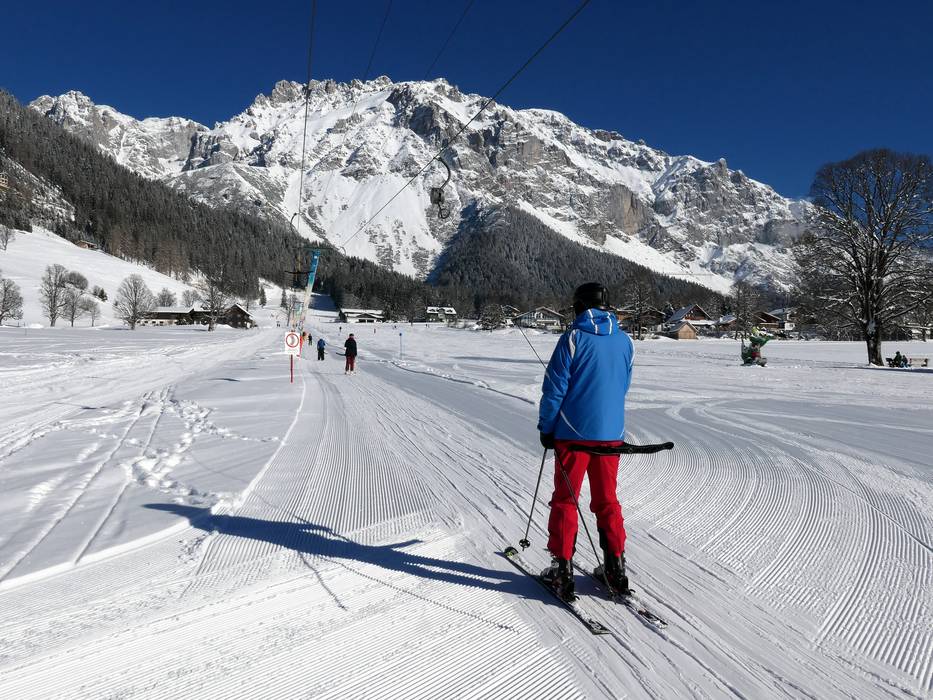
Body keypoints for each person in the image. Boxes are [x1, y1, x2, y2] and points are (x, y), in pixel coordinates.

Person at [537, 282, 635, 600]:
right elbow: (623, 385)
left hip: (572, 435)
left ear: (579, 306)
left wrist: (547, 428)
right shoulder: (625, 341)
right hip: (611, 436)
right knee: (607, 501)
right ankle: (616, 568)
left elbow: (554, 389)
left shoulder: (573, 338)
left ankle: (562, 570)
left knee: (566, 500)